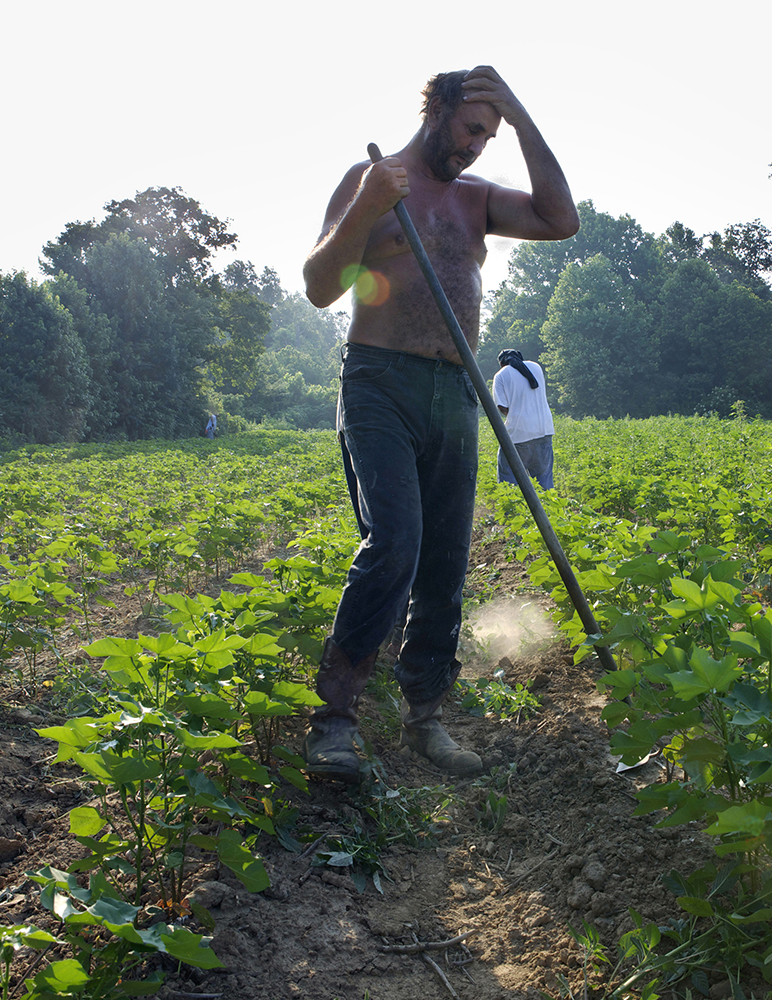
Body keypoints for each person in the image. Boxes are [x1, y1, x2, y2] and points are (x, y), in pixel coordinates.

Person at [300, 66, 578, 782]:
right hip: (378, 379)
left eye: (490, 134)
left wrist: (521, 116)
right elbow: (319, 287)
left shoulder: (477, 200)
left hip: (455, 387)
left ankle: (427, 714)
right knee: (396, 540)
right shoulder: (371, 180)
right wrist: (367, 207)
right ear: (438, 110)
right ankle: (334, 719)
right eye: (472, 128)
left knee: (447, 557)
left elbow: (559, 218)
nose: (478, 145)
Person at [492, 350, 555, 490]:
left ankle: (513, 511)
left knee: (509, 481)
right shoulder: (535, 367)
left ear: (502, 363)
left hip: (518, 436)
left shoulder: (501, 375)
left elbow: (502, 407)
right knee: (544, 481)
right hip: (544, 431)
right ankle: (546, 511)